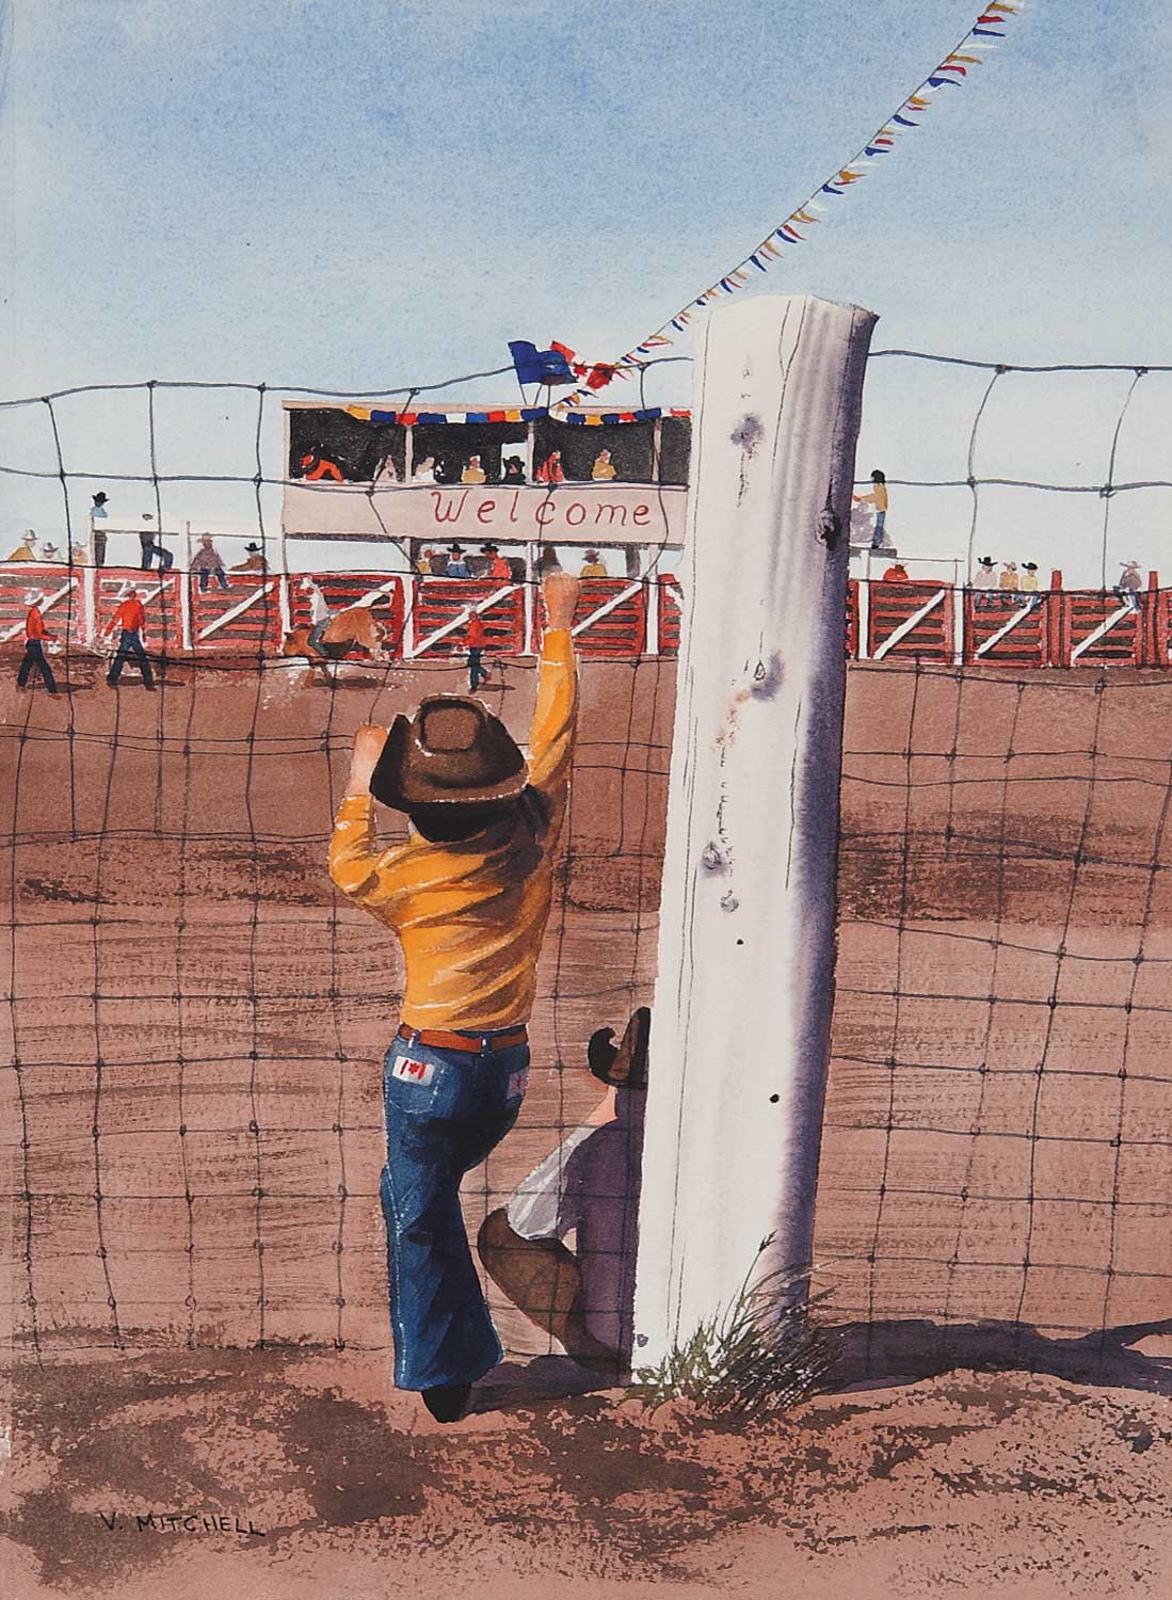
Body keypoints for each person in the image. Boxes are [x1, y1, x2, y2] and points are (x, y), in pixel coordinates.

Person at [328, 570, 582, 1423]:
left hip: (429, 1066)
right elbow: (556, 738)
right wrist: (557, 626)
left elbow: (344, 861)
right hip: (505, 1070)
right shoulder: (532, 840)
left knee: (417, 1210)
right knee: (418, 1198)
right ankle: (459, 1343)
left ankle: (448, 1367)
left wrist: (360, 779)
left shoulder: (398, 877)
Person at [478, 1007, 649, 1369]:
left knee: (500, 1232)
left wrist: (610, 1104)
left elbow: (523, 1223)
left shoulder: (602, 1145)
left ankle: (594, 1339)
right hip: (703, 1319)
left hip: (612, 1343)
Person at [103, 588, 154, 689]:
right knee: (138, 657)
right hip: (129, 634)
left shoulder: (132, 605)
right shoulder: (133, 605)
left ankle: (112, 679)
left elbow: (140, 619)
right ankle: (148, 681)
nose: (132, 596)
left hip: (130, 634)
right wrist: (108, 630)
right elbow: (140, 620)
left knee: (123, 657)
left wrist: (108, 631)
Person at [16, 591, 59, 695]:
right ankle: (52, 690)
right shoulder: (36, 613)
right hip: (35, 643)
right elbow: (39, 632)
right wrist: (50, 637)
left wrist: (48, 635)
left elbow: (38, 631)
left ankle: (21, 684)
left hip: (32, 642)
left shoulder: (33, 611)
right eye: (40, 599)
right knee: (44, 667)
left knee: (27, 664)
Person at [853, 469, 889, 550]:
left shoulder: (878, 486)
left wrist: (862, 499)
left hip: (880, 509)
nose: (871, 479)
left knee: (878, 527)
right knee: (879, 527)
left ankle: (876, 543)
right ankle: (876, 543)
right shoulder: (880, 486)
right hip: (881, 508)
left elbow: (875, 497)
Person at [303, 578, 332, 654]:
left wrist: (309, 581)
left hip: (322, 621)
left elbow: (317, 590)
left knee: (311, 641)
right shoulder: (314, 599)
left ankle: (325, 653)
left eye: (309, 589)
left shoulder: (318, 597)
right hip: (322, 620)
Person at [465, 610, 490, 692]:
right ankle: (484, 673)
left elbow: (472, 637)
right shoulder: (477, 624)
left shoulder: (474, 625)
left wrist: (465, 643)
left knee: (473, 666)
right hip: (478, 646)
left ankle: (474, 685)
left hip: (475, 646)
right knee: (474, 664)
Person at [90, 492, 109, 567]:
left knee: (99, 550)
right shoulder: (94, 511)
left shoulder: (102, 512)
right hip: (97, 533)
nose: (98, 503)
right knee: (98, 550)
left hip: (100, 533)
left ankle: (99, 564)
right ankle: (98, 564)